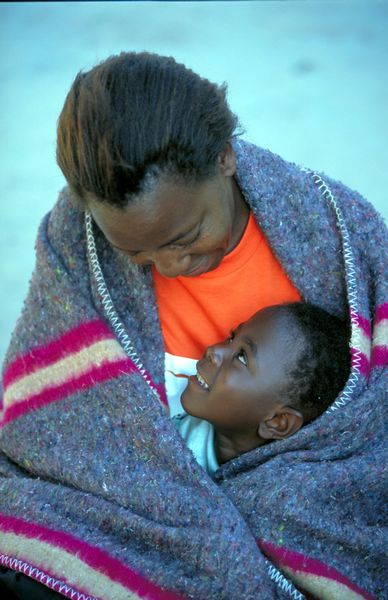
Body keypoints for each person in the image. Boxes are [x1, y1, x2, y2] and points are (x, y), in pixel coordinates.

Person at [0, 51, 386, 600]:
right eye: (134, 251)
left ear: (225, 157)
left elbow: (370, 434)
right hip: (125, 515)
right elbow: (53, 431)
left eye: (184, 237)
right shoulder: (75, 248)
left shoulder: (339, 238)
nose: (170, 268)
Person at [174, 302, 350, 476]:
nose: (214, 350)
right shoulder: (166, 428)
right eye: (231, 338)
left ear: (277, 422)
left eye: (242, 357)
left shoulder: (279, 488)